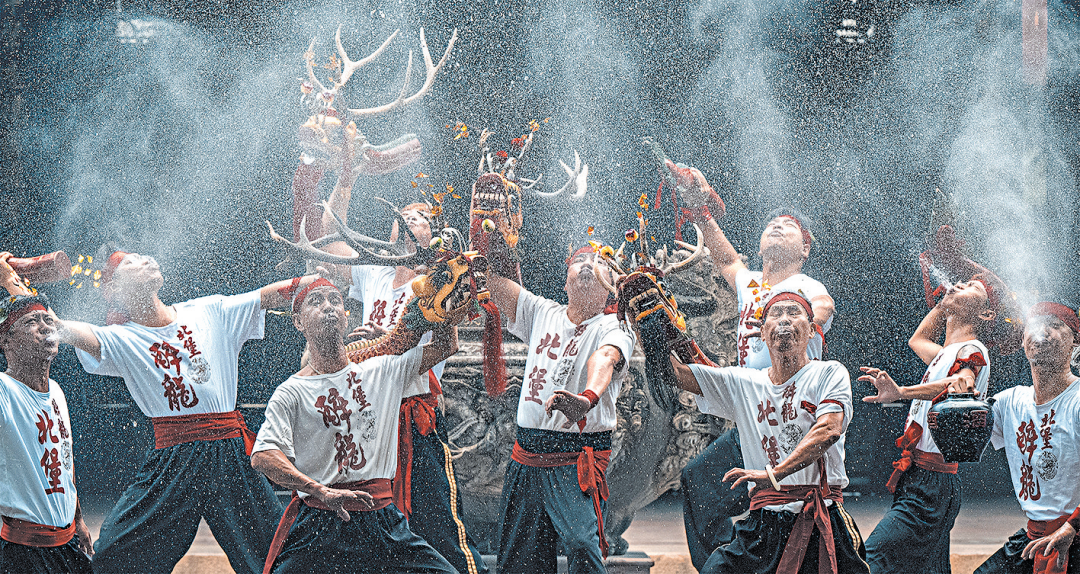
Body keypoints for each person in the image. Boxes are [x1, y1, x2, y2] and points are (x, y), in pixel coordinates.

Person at [57, 249, 319, 574]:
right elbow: (61, 328)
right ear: (114, 289)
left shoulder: (209, 310)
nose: (145, 259)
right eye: (130, 262)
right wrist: (19, 292)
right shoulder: (120, 338)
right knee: (114, 553)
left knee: (274, 552)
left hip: (228, 451)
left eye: (144, 256)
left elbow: (269, 296)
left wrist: (322, 279)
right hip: (174, 459)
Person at [664, 160, 835, 570]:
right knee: (699, 483)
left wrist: (789, 320)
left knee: (788, 507)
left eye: (788, 226)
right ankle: (728, 566)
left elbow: (823, 308)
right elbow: (724, 258)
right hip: (754, 415)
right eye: (771, 224)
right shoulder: (751, 282)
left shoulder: (807, 288)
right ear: (758, 247)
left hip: (794, 415)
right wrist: (699, 207)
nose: (777, 226)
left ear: (805, 249)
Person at [322, 174, 489, 574]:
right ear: (392, 231)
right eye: (405, 215)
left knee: (439, 523)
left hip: (413, 411)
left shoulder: (438, 282)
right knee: (369, 517)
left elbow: (446, 344)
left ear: (434, 237)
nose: (411, 219)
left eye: (422, 218)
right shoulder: (374, 274)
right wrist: (346, 176)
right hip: (367, 413)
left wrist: (387, 340)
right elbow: (328, 241)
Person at [646, 288, 867, 574]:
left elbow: (829, 430)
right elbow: (676, 374)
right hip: (763, 526)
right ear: (762, 333)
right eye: (776, 313)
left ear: (812, 330)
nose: (784, 319)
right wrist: (647, 326)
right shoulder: (744, 383)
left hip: (819, 521)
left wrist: (774, 474)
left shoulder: (829, 373)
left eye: (793, 312)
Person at [251, 278, 459, 574]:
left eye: (335, 300)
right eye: (316, 301)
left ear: (346, 318)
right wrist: (319, 490)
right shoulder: (291, 392)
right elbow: (263, 456)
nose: (328, 307)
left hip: (382, 522)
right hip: (321, 523)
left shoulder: (383, 370)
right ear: (298, 322)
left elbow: (446, 346)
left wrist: (445, 300)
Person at [478, 236, 635, 574]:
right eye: (580, 260)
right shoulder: (541, 312)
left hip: (575, 457)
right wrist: (488, 230)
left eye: (601, 262)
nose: (589, 265)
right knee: (519, 559)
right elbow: (489, 279)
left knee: (582, 545)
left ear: (612, 286)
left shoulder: (616, 326)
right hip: (527, 455)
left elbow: (605, 358)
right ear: (565, 281)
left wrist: (587, 399)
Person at [860, 276, 1015, 574]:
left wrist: (901, 392)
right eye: (960, 282)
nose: (959, 284)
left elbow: (962, 380)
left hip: (931, 484)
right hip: (922, 479)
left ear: (986, 314)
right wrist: (943, 304)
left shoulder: (973, 349)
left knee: (871, 560)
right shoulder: (945, 353)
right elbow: (917, 340)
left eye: (972, 287)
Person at [0, 255, 92, 574]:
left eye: (48, 321)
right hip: (23, 552)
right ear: (5, 340)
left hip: (68, 544)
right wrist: (6, 280)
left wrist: (79, 520)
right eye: (31, 322)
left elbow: (65, 460)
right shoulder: (3, 391)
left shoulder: (57, 391)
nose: (46, 327)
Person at [975, 300, 1080, 574]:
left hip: (1076, 536)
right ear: (1023, 341)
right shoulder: (1010, 402)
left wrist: (1073, 526)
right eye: (1034, 326)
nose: (1041, 332)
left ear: (1075, 340)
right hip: (1034, 538)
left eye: (1054, 325)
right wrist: (904, 393)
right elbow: (960, 431)